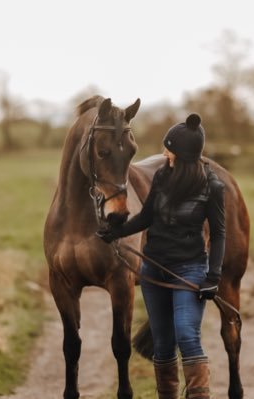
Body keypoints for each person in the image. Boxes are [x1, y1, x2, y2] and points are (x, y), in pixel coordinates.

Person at [97, 113, 225, 399]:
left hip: (189, 270)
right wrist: (115, 233)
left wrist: (212, 277)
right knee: (164, 343)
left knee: (187, 335)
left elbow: (218, 235)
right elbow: (146, 217)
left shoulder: (212, 186)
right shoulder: (163, 177)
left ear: (179, 153)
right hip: (154, 271)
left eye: (168, 148)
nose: (164, 152)